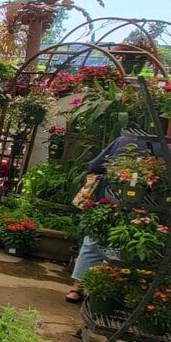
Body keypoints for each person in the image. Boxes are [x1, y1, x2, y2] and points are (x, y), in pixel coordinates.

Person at [65, 128, 146, 303]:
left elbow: (94, 166)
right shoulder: (163, 148)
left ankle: (77, 289)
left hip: (105, 201)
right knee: (116, 248)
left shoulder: (122, 140)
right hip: (138, 208)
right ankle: (100, 293)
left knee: (92, 242)